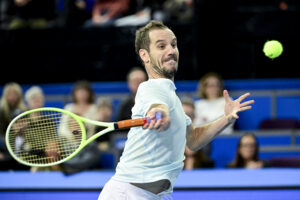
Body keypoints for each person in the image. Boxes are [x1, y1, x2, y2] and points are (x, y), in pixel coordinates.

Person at [98, 20, 254, 199]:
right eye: (161, 46)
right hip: (127, 194)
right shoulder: (151, 88)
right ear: (145, 55)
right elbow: (157, 106)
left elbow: (194, 139)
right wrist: (159, 114)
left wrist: (226, 118)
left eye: (173, 44)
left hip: (158, 195)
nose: (171, 51)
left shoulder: (173, 98)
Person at [0, 82, 28, 170]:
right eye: (10, 94)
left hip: (21, 148)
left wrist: (21, 131)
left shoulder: (25, 111)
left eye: (15, 94)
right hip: (4, 148)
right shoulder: (1, 112)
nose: (12, 97)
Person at [181, 97, 214, 169]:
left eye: (189, 115)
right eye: (183, 115)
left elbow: (206, 160)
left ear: (194, 117)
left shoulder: (204, 139)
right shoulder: (170, 137)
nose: (186, 119)